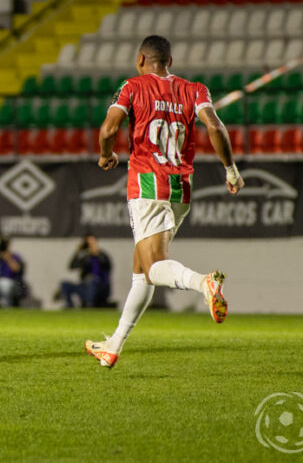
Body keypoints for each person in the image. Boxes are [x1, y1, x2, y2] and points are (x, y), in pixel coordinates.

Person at [86, 35, 244, 370]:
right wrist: (231, 170)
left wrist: (106, 155)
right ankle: (114, 345)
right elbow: (215, 127)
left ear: (141, 59)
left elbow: (106, 130)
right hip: (181, 187)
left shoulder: (132, 86)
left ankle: (203, 282)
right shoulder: (195, 89)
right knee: (141, 270)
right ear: (169, 61)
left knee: (154, 265)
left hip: (146, 183)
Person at [59, 235, 112, 308]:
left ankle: (89, 305)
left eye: (92, 242)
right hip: (84, 285)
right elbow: (72, 266)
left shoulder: (103, 255)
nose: (91, 245)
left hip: (100, 286)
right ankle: (70, 305)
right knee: (64, 284)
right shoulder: (85, 256)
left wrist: (96, 255)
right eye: (88, 243)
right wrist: (77, 252)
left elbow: (108, 268)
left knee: (93, 280)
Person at [0, 238, 26, 307]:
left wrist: (8, 258)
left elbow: (16, 269)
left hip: (14, 283)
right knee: (1, 284)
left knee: (5, 283)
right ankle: (3, 304)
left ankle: (6, 305)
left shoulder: (14, 256)